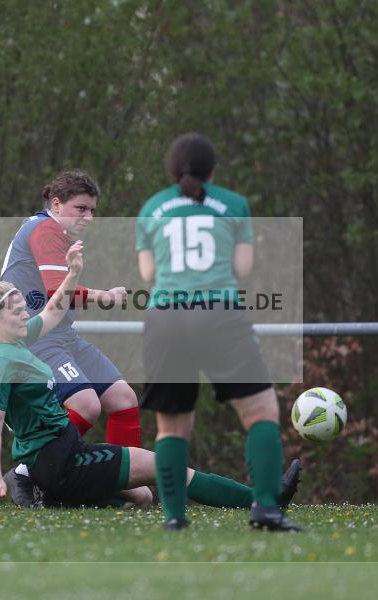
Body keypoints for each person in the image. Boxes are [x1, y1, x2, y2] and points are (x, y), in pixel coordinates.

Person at [0, 241, 299, 514]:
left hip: (62, 454)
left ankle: (60, 500)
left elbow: (53, 311)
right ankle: (266, 499)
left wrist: (72, 273)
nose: (25, 315)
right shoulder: (1, 363)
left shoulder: (18, 339)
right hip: (57, 461)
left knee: (142, 496)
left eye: (23, 308)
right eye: (17, 311)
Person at [135, 133, 302, 531]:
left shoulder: (152, 208)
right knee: (260, 412)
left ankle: (175, 518)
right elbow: (242, 269)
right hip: (217, 314)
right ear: (212, 170)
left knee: (171, 427)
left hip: (164, 319)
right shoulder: (233, 204)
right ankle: (265, 508)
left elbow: (148, 274)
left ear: (173, 171)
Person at [0, 170, 141, 505]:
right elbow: (54, 292)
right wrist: (105, 296)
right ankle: (27, 472)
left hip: (62, 336)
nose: (89, 217)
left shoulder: (56, 232)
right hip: (34, 338)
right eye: (81, 208)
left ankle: (113, 481)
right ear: (56, 203)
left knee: (123, 400)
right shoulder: (46, 228)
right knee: (87, 404)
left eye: (93, 210)